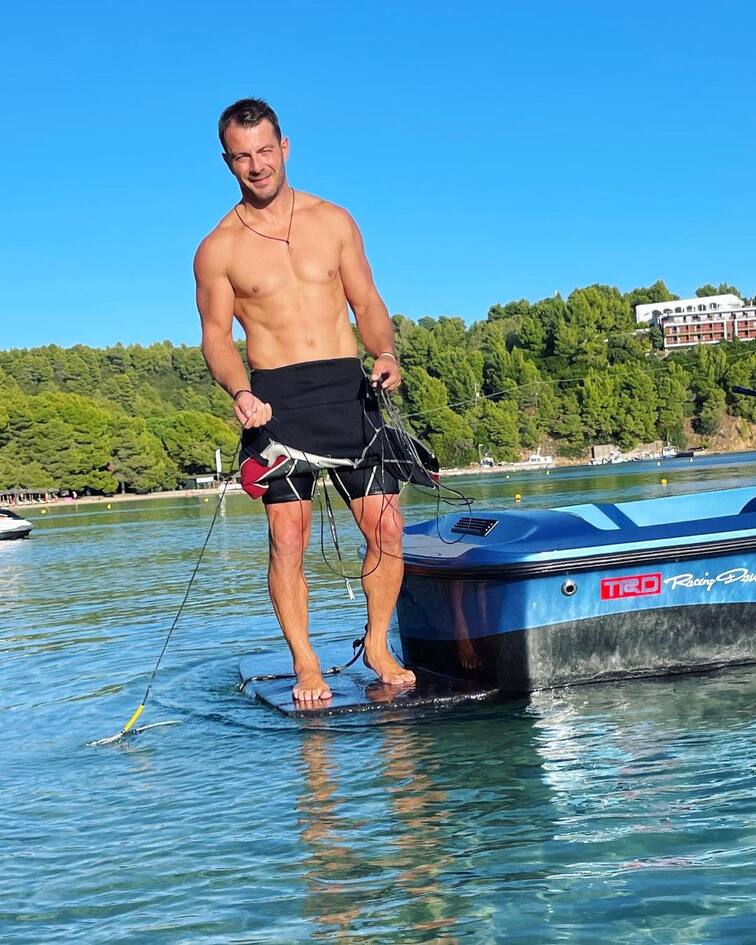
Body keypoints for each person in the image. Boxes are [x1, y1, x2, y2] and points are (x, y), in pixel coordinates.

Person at [194, 98, 416, 704]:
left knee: (387, 528)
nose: (257, 165)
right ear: (227, 161)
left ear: (284, 147)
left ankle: (377, 644)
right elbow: (216, 337)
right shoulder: (217, 248)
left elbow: (367, 302)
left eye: (265, 151)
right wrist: (240, 390)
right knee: (288, 538)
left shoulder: (334, 221)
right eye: (243, 156)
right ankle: (305, 661)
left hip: (349, 389)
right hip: (277, 401)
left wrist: (385, 352)